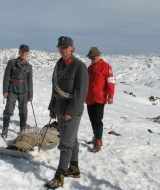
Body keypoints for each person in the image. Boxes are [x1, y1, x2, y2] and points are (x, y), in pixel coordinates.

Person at [45, 36, 89, 189]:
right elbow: (55, 89)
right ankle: (74, 168)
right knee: (72, 139)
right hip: (60, 108)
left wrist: (71, 111)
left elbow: (81, 92)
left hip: (72, 110)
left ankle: (59, 176)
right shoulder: (59, 65)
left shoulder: (79, 66)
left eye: (66, 47)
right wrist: (52, 107)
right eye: (61, 47)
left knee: (65, 143)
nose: (63, 50)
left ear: (72, 48)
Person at [85, 47, 115, 152]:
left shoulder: (106, 67)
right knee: (92, 119)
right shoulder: (89, 68)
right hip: (89, 98)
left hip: (99, 98)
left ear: (99, 56)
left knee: (98, 120)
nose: (92, 59)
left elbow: (111, 82)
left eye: (93, 57)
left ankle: (98, 140)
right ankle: (95, 136)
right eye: (90, 57)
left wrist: (110, 96)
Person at [2, 44, 33, 138]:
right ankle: (5, 127)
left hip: (24, 91)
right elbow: (6, 77)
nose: (23, 53)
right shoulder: (11, 63)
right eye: (22, 51)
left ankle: (22, 129)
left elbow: (30, 81)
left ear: (28, 53)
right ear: (19, 52)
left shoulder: (29, 66)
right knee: (8, 109)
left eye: (25, 52)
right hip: (12, 90)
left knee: (23, 110)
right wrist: (5, 90)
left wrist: (30, 95)